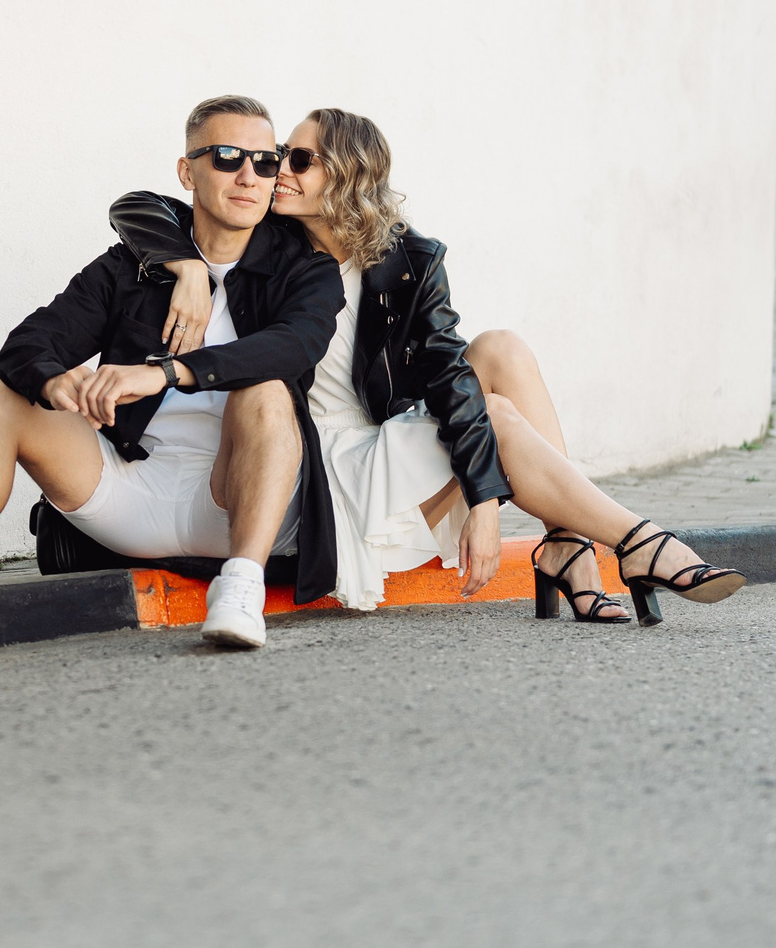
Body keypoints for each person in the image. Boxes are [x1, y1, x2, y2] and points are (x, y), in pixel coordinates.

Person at [109, 107, 743, 624]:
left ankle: (568, 541)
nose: (273, 174)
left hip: (383, 438)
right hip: (318, 458)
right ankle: (635, 542)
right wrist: (187, 267)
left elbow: (445, 368)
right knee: (491, 413)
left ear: (347, 175)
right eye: (280, 158)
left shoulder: (406, 257)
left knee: (501, 350)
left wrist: (486, 501)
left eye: (296, 160)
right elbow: (140, 205)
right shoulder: (267, 243)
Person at [0, 96, 345, 679]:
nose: (248, 175)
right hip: (132, 485)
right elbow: (27, 343)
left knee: (266, 389)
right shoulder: (131, 267)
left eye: (265, 162)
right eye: (225, 157)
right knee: (1, 396)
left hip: (242, 500)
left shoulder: (304, 267)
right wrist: (59, 382)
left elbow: (296, 345)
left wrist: (162, 373)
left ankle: (239, 589)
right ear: (186, 171)